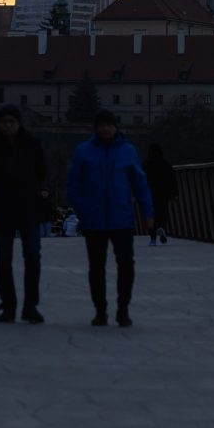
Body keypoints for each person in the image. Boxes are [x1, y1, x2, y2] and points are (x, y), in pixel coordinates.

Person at [67, 110, 153, 327]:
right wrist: (83, 209)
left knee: (126, 265)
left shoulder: (127, 151)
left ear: (115, 127)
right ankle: (100, 310)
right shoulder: (83, 151)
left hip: (121, 218)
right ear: (96, 128)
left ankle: (123, 309)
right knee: (96, 267)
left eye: (109, 124)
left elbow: (140, 183)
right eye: (102, 125)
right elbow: (74, 184)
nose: (105, 128)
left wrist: (148, 212)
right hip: (94, 219)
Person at [0, 104, 47, 323]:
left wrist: (32, 191)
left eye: (12, 122)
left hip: (28, 208)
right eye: (4, 121)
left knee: (33, 257)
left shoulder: (32, 144)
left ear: (18, 123)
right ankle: (9, 305)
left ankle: (30, 306)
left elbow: (41, 170)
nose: (8, 125)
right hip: (2, 208)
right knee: (3, 259)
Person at [143, 144, 178, 247]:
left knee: (151, 215)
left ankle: (153, 239)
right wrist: (175, 193)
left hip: (149, 192)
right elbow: (172, 179)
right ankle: (161, 226)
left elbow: (140, 179)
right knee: (163, 211)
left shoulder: (145, 164)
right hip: (163, 192)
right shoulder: (166, 164)